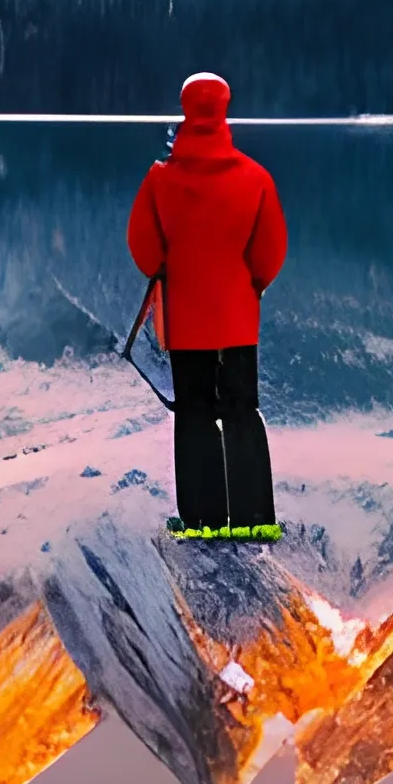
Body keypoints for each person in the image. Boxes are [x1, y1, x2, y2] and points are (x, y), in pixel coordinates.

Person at [126, 72, 288, 539]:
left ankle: (202, 522)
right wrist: (250, 286)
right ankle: (255, 520)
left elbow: (143, 248)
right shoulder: (255, 177)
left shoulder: (160, 179)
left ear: (185, 109)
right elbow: (271, 251)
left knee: (194, 414)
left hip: (186, 322)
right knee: (241, 412)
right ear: (224, 109)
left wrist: (168, 269)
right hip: (237, 319)